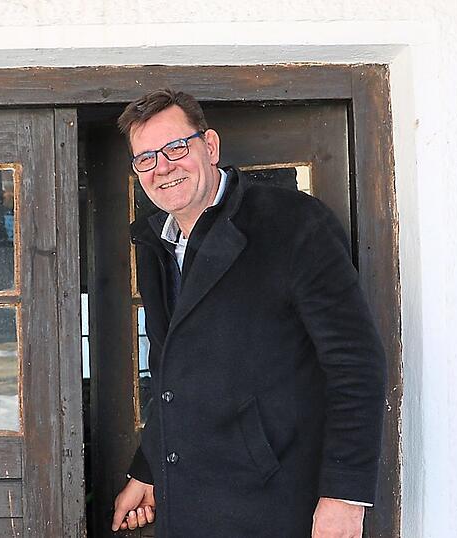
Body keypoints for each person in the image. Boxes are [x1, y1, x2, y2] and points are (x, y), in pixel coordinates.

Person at [110, 89, 387, 537]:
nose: (162, 167)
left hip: (273, 505)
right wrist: (147, 469)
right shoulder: (154, 241)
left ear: (210, 146)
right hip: (188, 505)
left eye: (175, 147)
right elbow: (169, 370)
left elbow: (355, 363)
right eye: (146, 158)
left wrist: (344, 496)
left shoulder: (294, 225)